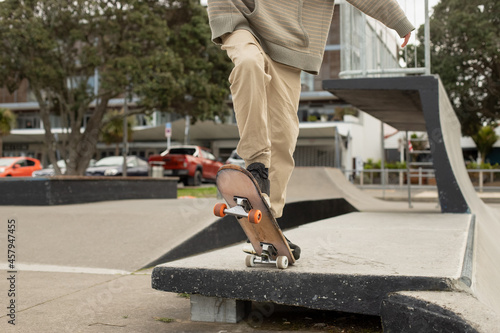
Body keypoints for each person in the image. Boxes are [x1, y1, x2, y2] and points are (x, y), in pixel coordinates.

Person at [207, 0, 414, 260]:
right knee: (248, 64)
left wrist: (397, 20)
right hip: (241, 19)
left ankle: (269, 221)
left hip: (289, 43)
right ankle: (257, 166)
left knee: (284, 134)